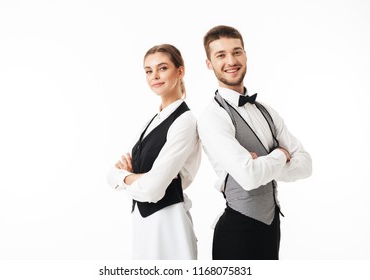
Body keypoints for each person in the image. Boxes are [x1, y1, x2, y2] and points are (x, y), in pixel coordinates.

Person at [197, 25, 312, 260]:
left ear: (246, 55)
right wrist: (281, 154)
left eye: (237, 52)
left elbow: (306, 165)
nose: (231, 60)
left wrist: (263, 167)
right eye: (221, 55)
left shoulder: (267, 111)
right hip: (236, 232)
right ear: (209, 64)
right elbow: (248, 178)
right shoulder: (212, 117)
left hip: (272, 229)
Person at [107, 44, 201, 260]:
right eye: (148, 71)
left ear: (180, 71)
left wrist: (125, 178)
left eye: (162, 68)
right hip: (144, 225)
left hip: (169, 225)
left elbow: (153, 189)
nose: (154, 76)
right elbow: (111, 174)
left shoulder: (185, 121)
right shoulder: (152, 120)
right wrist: (137, 177)